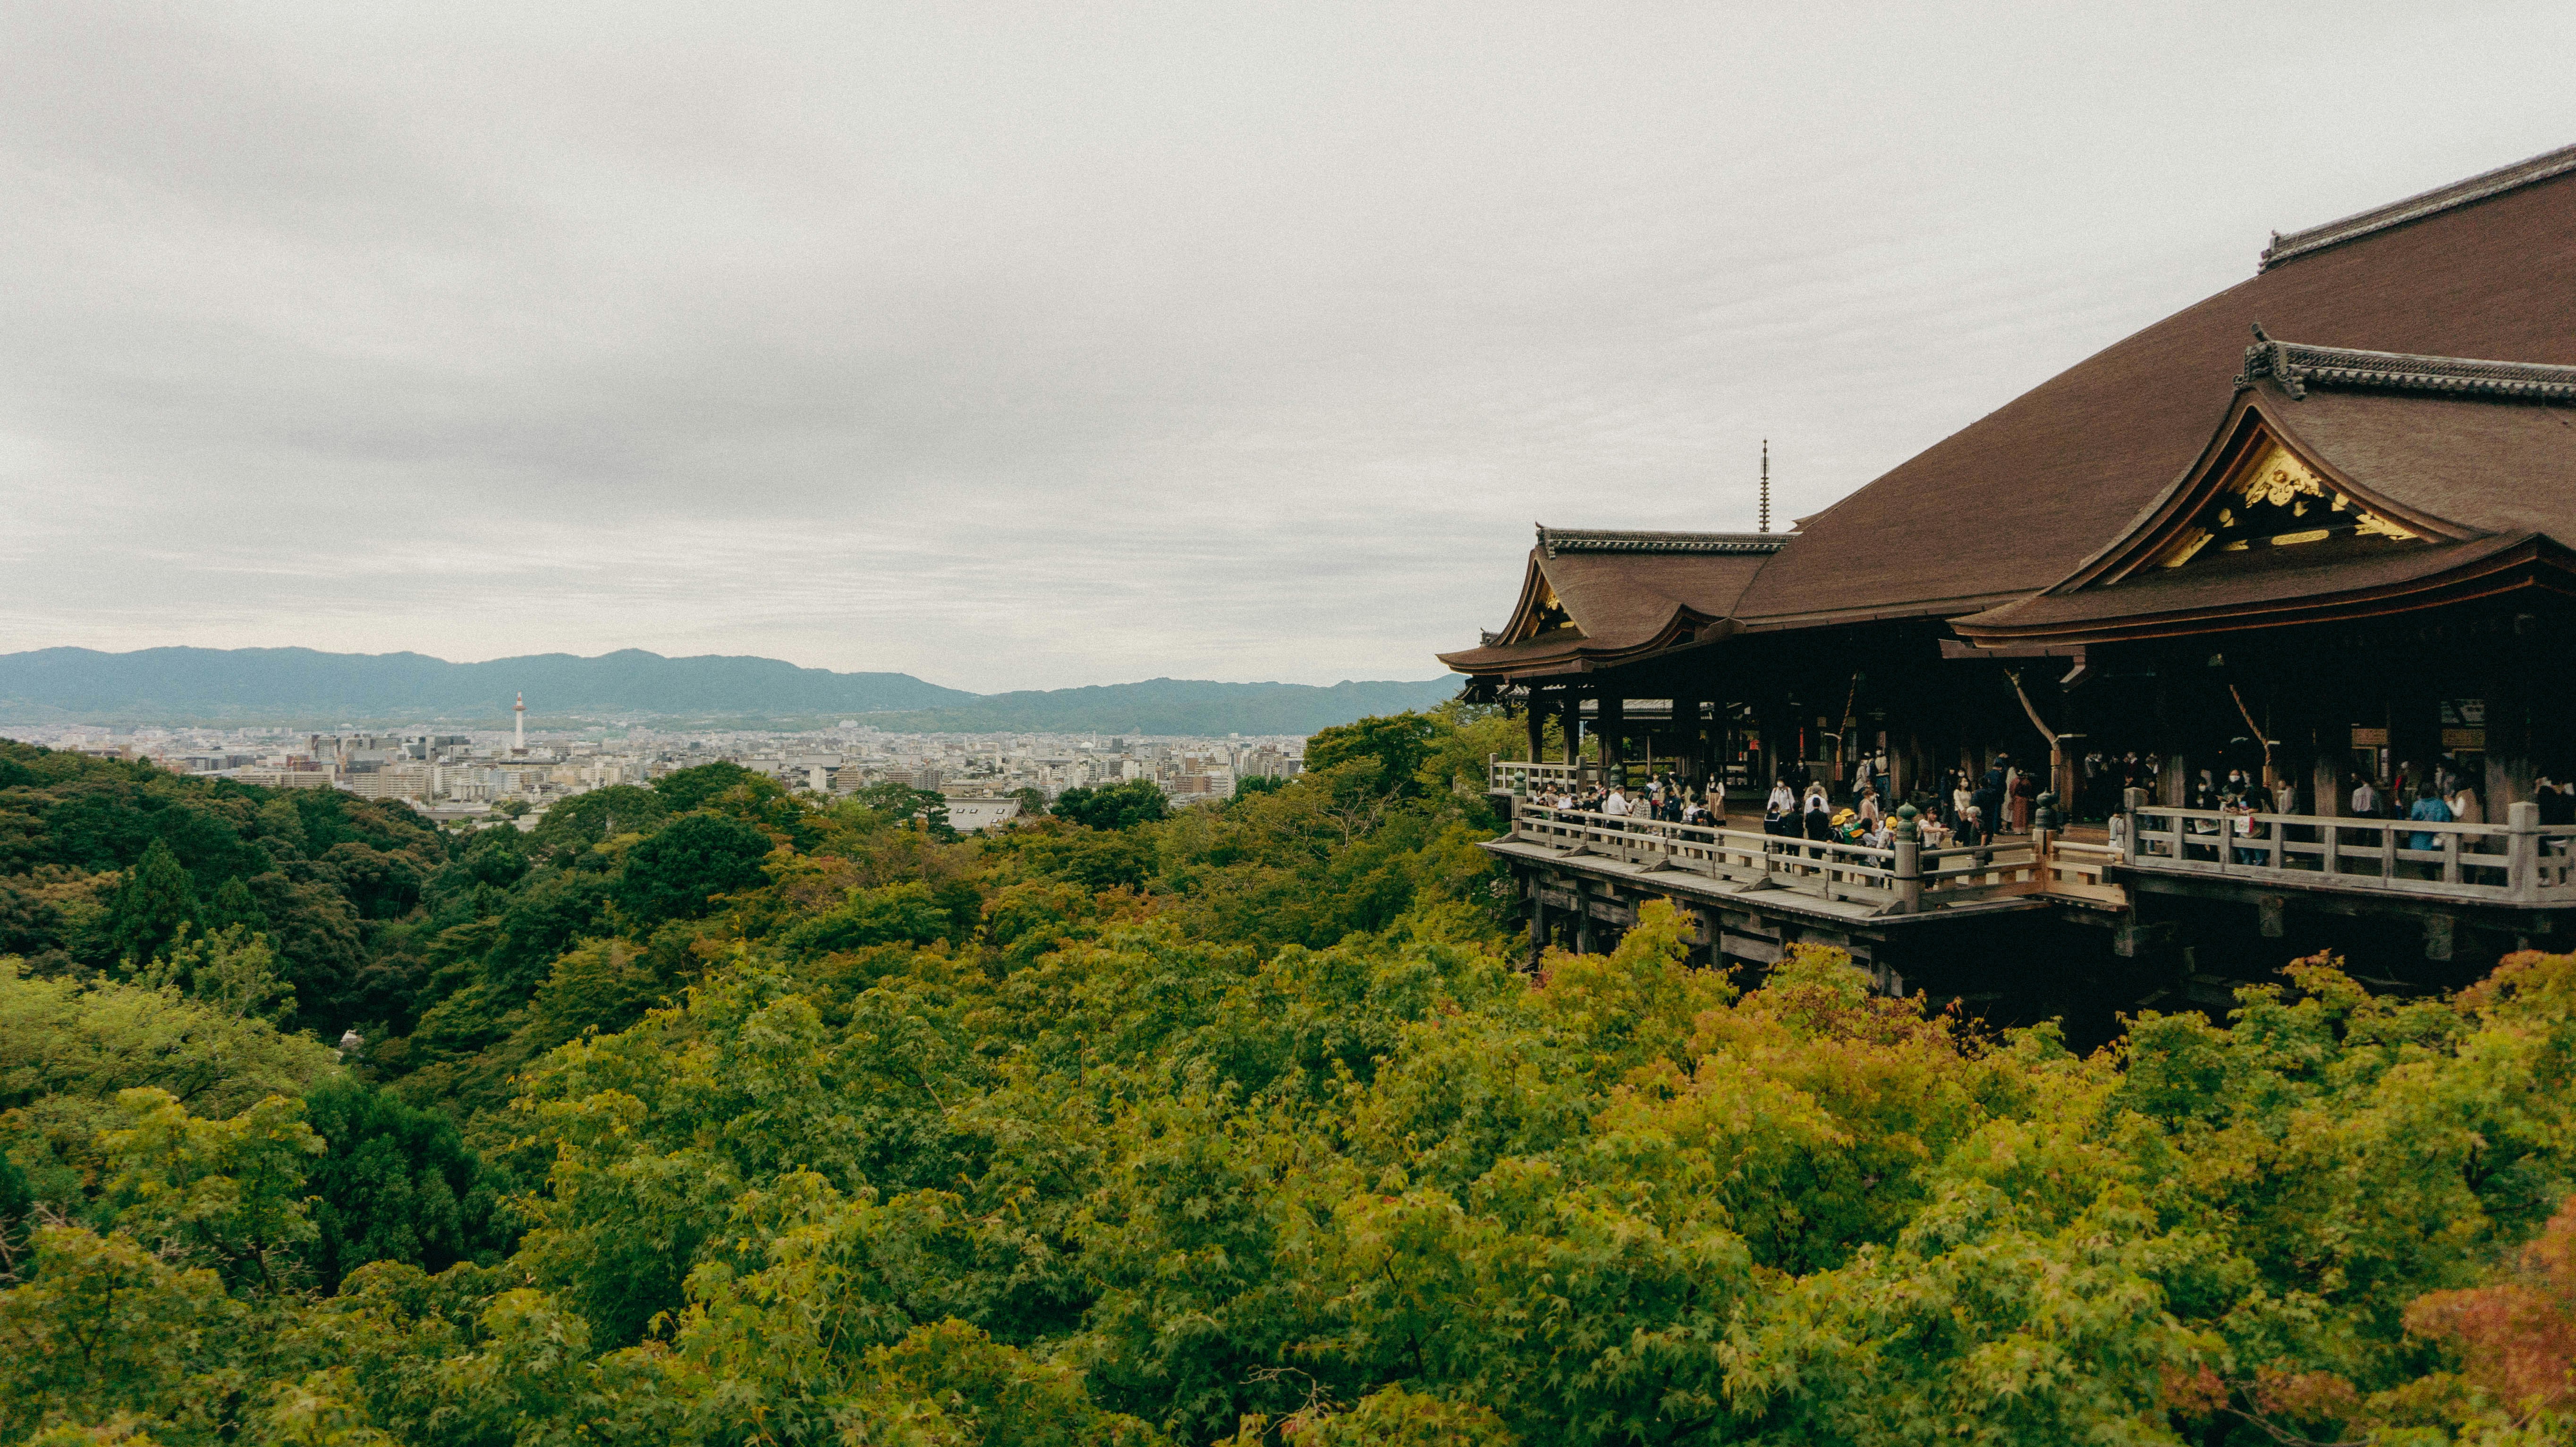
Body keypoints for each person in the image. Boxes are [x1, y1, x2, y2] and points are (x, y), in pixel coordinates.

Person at [2406, 783, 2453, 860]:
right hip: (2437, 838)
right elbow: (2447, 820)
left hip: (2419, 839)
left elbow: (2414, 821)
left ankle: (2427, 867)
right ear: (2434, 792)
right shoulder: (2441, 804)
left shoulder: (2417, 805)